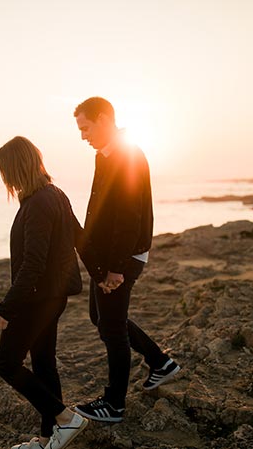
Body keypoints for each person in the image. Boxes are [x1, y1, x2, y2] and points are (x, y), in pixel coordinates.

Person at [73, 97, 181, 423]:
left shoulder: (127, 155)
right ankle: (160, 362)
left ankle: (114, 405)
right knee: (101, 318)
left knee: (112, 328)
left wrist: (115, 269)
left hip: (121, 258)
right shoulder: (104, 156)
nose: (82, 136)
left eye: (85, 128)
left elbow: (129, 217)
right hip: (108, 256)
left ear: (104, 118)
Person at [0, 136, 98, 449]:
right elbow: (81, 237)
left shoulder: (38, 203)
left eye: (4, 171)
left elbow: (33, 265)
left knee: (7, 364)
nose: (4, 179)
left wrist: (5, 308)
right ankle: (50, 437)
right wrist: (100, 275)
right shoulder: (54, 194)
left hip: (37, 298)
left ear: (16, 168)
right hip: (52, 297)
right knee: (43, 362)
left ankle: (66, 419)